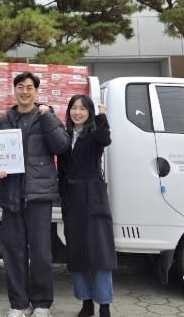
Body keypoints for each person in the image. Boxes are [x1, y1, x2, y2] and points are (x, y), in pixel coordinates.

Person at [0, 72, 70, 317]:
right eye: (20, 87)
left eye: (29, 87)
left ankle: (42, 304)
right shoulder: (5, 119)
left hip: (38, 196)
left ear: (36, 92)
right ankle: (18, 304)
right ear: (14, 90)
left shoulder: (46, 116)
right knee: (13, 252)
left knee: (40, 253)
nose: (24, 91)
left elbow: (61, 146)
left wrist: (47, 118)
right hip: (12, 195)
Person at [58, 95, 115, 317]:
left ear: (89, 112)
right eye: (74, 108)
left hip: (93, 196)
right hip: (72, 198)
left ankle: (105, 305)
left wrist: (102, 117)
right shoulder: (64, 136)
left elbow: (105, 139)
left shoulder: (94, 134)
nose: (77, 112)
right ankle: (86, 302)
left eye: (82, 109)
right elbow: (61, 170)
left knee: (100, 252)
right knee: (77, 251)